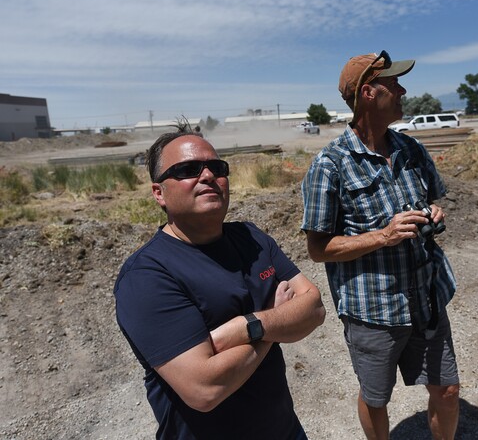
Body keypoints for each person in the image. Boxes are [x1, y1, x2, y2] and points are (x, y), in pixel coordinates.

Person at [114, 123, 326, 439]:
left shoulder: (251, 238)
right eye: (188, 169)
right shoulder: (147, 276)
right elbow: (205, 389)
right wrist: (270, 326)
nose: (208, 175)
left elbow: (314, 308)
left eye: (217, 167)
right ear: (159, 193)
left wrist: (244, 327)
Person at [301, 51, 460, 439]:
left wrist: (434, 213)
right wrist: (384, 236)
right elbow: (318, 249)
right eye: (394, 84)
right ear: (369, 94)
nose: (403, 90)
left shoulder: (411, 149)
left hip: (427, 299)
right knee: (376, 397)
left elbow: (436, 199)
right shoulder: (330, 165)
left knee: (448, 389)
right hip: (374, 311)